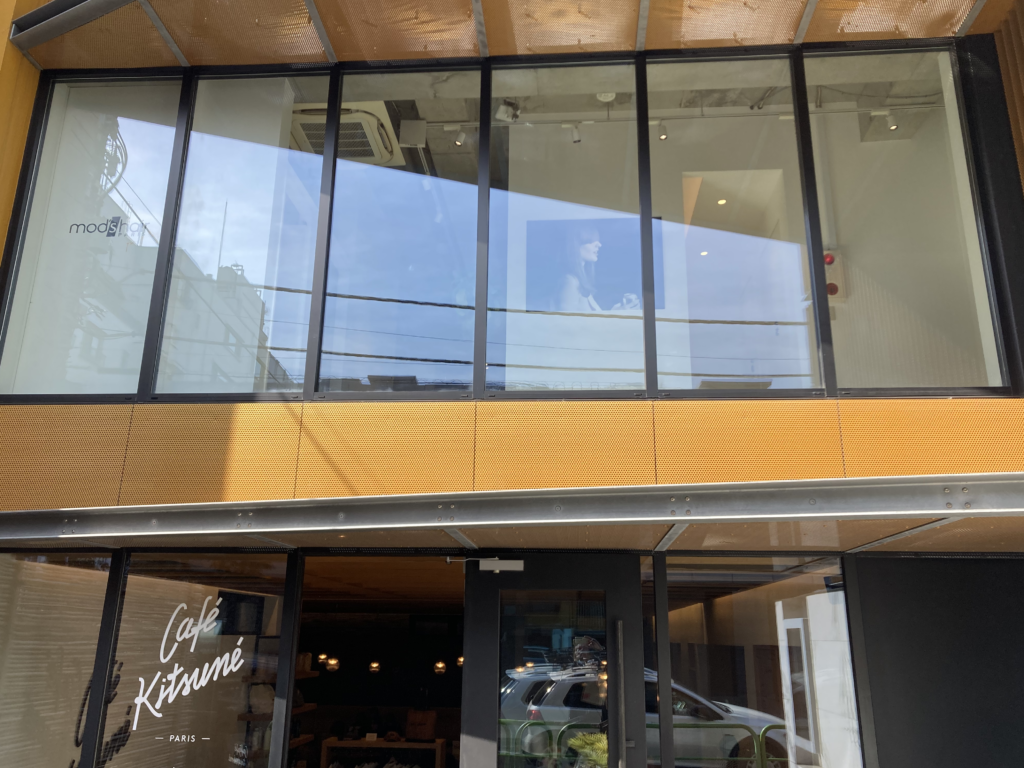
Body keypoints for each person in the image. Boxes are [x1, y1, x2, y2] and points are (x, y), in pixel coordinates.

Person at [553, 226, 639, 312]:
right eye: (591, 241)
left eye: (597, 240)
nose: (599, 245)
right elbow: (565, 319)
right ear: (576, 246)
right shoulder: (570, 281)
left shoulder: (580, 282)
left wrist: (615, 311)